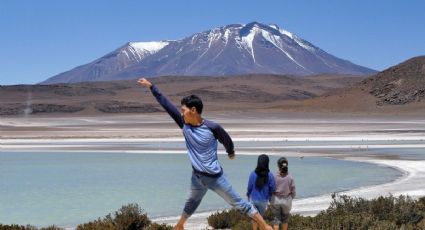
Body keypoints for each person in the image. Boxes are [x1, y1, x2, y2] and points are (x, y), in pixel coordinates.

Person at [137, 78, 273, 230]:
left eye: (184, 110)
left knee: (239, 203)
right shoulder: (184, 125)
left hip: (216, 178)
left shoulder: (212, 127)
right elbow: (167, 105)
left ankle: (265, 226)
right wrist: (152, 87)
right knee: (192, 201)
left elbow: (226, 138)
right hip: (197, 177)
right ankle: (180, 226)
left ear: (193, 110)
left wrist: (231, 152)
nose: (181, 113)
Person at [247, 154, 276, 230]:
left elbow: (249, 187)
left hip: (253, 199)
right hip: (263, 200)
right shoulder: (270, 175)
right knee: (261, 219)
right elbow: (273, 188)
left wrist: (248, 195)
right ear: (267, 163)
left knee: (254, 218)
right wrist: (270, 197)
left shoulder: (252, 174)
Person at [270, 157, 296, 230]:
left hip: (276, 199)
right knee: (285, 219)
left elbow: (271, 189)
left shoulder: (274, 176)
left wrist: (270, 198)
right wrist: (291, 198)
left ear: (278, 166)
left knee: (276, 220)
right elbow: (293, 191)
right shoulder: (290, 177)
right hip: (286, 200)